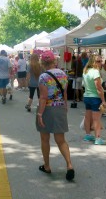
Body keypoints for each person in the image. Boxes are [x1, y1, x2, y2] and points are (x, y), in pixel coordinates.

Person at [36, 50, 74, 181]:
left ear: (42, 62)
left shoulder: (43, 77)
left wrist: (40, 114)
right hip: (60, 108)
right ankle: (69, 165)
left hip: (47, 109)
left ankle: (47, 166)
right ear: (54, 61)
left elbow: (43, 97)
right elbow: (64, 93)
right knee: (61, 140)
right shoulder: (63, 74)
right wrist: (64, 106)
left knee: (45, 139)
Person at [82, 54, 106, 145]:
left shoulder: (86, 71)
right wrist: (103, 100)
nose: (100, 63)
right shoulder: (95, 72)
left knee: (88, 117)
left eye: (101, 61)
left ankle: (88, 135)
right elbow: (99, 88)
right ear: (93, 62)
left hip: (87, 96)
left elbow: (84, 84)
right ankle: (98, 138)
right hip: (95, 97)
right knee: (96, 119)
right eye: (98, 61)